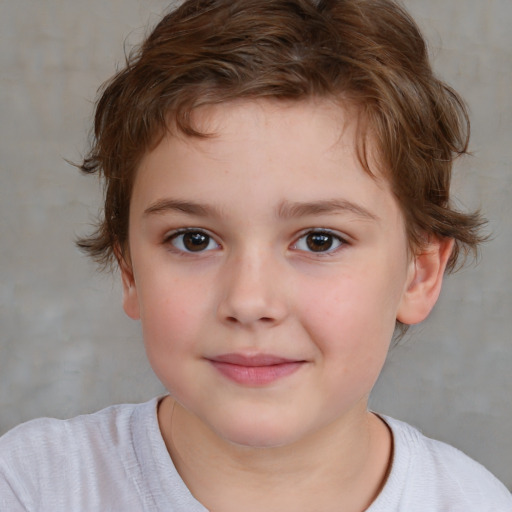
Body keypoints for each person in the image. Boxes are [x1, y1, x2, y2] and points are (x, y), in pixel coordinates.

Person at [1, 0, 511, 510]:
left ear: (418, 275)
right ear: (129, 269)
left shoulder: (474, 502)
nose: (248, 301)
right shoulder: (31, 487)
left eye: (319, 240)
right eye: (194, 239)